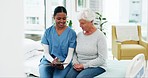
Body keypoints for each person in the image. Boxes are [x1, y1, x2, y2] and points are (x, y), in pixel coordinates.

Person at [66, 8, 107, 78]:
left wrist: (84, 66)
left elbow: (102, 59)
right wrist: (75, 63)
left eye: (83, 23)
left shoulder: (100, 36)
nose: (80, 25)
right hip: (79, 64)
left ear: (91, 21)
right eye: (79, 23)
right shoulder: (79, 35)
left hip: (96, 66)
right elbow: (75, 53)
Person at [39, 6, 76, 78]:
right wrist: (53, 61)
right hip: (48, 61)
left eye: (64, 18)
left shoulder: (71, 33)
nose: (62, 21)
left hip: (64, 62)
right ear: (54, 17)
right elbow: (46, 53)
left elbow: (70, 55)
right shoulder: (48, 32)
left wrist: (63, 66)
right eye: (59, 18)